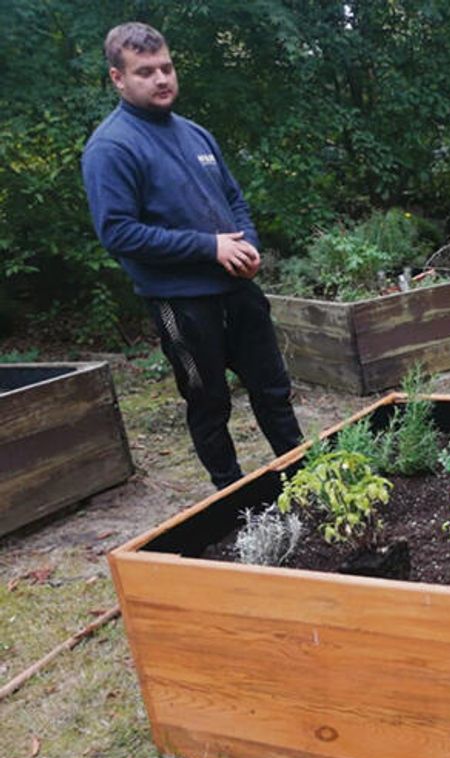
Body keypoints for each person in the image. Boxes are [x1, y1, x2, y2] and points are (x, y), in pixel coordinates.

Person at [82, 22, 303, 490]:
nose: (162, 79)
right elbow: (118, 233)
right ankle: (233, 498)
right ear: (118, 78)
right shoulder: (111, 147)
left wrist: (249, 248)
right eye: (145, 72)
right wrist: (210, 247)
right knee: (209, 404)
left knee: (274, 391)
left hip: (238, 289)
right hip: (180, 301)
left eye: (166, 67)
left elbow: (234, 198)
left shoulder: (196, 134)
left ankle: (307, 476)